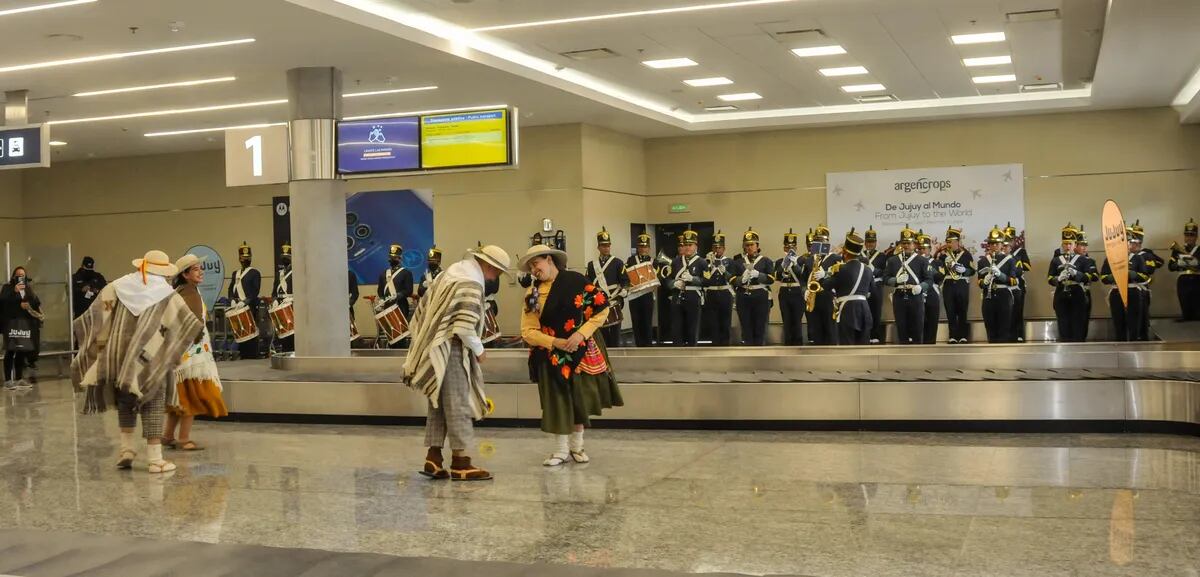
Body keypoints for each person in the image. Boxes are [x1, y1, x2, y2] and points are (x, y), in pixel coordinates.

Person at [72, 250, 204, 473]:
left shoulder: (117, 286)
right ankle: (155, 459)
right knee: (152, 399)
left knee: (126, 399)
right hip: (150, 357)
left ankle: (126, 450)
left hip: (118, 355)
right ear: (163, 271)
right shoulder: (165, 294)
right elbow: (188, 324)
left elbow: (93, 316)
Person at [404, 245, 510, 481]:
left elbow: (422, 308)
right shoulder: (471, 282)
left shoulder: (451, 272)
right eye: (498, 273)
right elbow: (463, 326)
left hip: (433, 345)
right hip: (450, 346)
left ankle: (433, 457)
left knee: (439, 402)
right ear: (490, 267)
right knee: (458, 401)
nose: (495, 279)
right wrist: (480, 350)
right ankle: (461, 462)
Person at [519, 244, 622, 467]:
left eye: (536, 264)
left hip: (578, 350)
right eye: (530, 267)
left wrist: (580, 334)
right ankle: (560, 449)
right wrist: (554, 342)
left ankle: (577, 446)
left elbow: (601, 308)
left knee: (578, 399)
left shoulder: (576, 281)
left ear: (549, 259)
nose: (533, 270)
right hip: (550, 354)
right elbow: (527, 331)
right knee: (557, 401)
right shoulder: (532, 293)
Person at [163, 254, 228, 451]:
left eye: (201, 268)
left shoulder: (182, 292)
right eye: (196, 269)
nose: (201, 272)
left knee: (181, 395)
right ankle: (183, 439)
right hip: (191, 356)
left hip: (183, 354)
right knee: (191, 396)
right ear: (185, 274)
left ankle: (167, 435)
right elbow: (191, 326)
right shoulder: (189, 294)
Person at [1048, 224, 1098, 343]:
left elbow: (1089, 277)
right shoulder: (1056, 260)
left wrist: (1076, 274)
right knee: (1063, 322)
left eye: (1070, 244)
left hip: (1077, 292)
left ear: (1075, 245)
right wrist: (1058, 279)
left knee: (1078, 323)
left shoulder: (1083, 260)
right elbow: (1050, 278)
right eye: (1065, 244)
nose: (1068, 246)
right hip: (1061, 292)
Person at [660, 228, 708, 347]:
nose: (687, 247)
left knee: (692, 329)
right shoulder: (676, 261)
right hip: (677, 298)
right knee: (677, 330)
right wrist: (673, 284)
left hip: (693, 298)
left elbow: (707, 281)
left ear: (696, 246)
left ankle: (693, 356)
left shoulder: (702, 262)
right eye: (685, 244)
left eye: (690, 245)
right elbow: (667, 278)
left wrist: (693, 279)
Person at [824, 229, 872, 345]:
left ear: (844, 252)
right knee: (863, 346)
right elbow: (872, 289)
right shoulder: (867, 269)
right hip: (865, 309)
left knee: (847, 346)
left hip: (848, 311)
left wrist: (824, 275)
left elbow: (827, 286)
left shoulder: (841, 269)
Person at [884, 226, 930, 345]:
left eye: (909, 243)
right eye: (904, 243)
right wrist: (896, 280)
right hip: (899, 296)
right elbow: (885, 278)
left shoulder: (922, 260)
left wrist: (921, 287)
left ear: (914, 244)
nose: (906, 246)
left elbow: (929, 280)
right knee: (901, 327)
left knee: (917, 327)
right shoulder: (893, 260)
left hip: (916, 296)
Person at [585, 227, 630, 347]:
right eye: (603, 246)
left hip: (614, 299)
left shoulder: (618, 263)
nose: (606, 248)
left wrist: (625, 290)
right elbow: (588, 285)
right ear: (598, 247)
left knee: (615, 334)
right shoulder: (591, 265)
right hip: (599, 302)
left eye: (608, 246)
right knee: (602, 334)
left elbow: (625, 281)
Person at [730, 228, 773, 345]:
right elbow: (732, 279)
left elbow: (771, 279)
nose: (749, 247)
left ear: (757, 245)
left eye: (752, 244)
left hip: (760, 296)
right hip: (743, 297)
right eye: (747, 245)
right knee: (746, 327)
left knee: (760, 327)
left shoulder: (765, 261)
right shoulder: (738, 262)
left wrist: (759, 275)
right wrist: (741, 280)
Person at [978, 226, 1021, 343]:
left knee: (1004, 326)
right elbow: (979, 282)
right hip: (988, 295)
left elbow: (1014, 280)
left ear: (1002, 244)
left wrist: (1000, 275)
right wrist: (985, 281)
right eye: (992, 243)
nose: (994, 246)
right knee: (990, 326)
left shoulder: (1010, 260)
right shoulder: (983, 261)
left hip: (1004, 295)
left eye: (997, 243)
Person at [2, 268, 43, 390]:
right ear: (14, 276)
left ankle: (19, 378)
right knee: (10, 351)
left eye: (23, 275)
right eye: (18, 275)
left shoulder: (27, 289)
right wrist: (14, 292)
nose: (20, 277)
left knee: (21, 350)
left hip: (24, 324)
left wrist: (29, 304)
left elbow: (35, 302)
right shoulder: (7, 288)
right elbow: (3, 301)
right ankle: (8, 380)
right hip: (10, 323)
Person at [938, 227, 974, 344]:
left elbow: (972, 271)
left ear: (957, 241)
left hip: (962, 284)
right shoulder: (943, 256)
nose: (948, 244)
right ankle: (952, 336)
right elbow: (939, 272)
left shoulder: (966, 254)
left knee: (962, 310)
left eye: (951, 241)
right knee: (950, 310)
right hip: (948, 284)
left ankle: (963, 335)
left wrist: (964, 270)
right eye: (947, 241)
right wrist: (944, 265)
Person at [804, 226, 840, 346]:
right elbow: (803, 279)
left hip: (828, 298)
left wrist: (827, 274)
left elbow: (840, 277)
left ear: (827, 242)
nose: (819, 243)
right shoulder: (809, 260)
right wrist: (804, 290)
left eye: (822, 241)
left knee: (830, 330)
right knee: (816, 332)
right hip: (814, 299)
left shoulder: (835, 258)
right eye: (817, 240)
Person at [226, 242, 262, 359]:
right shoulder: (235, 273)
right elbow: (231, 288)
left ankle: (252, 355)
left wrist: (245, 301)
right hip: (237, 306)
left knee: (250, 332)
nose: (245, 260)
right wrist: (231, 299)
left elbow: (255, 291)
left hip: (249, 306)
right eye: (242, 258)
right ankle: (243, 354)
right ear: (239, 259)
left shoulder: (255, 273)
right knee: (240, 331)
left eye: (247, 258)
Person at [377, 243, 414, 349]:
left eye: (394, 257)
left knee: (400, 335)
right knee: (390, 334)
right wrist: (382, 299)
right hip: (387, 306)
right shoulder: (384, 274)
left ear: (400, 258)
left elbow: (408, 290)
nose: (392, 259)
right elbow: (380, 290)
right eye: (391, 257)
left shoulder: (406, 273)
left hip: (400, 306)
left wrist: (398, 295)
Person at [703, 231, 734, 346]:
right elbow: (705, 278)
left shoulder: (729, 261)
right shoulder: (706, 261)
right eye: (715, 247)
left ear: (724, 248)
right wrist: (709, 265)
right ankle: (714, 344)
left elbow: (733, 278)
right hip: (711, 293)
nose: (717, 250)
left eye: (719, 247)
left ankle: (725, 344)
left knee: (725, 321)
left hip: (725, 293)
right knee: (712, 322)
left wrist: (724, 271)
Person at [775, 229, 806, 346]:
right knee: (786, 320)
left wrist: (795, 265)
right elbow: (776, 277)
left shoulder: (802, 260)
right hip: (784, 292)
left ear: (796, 248)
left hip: (797, 292)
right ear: (784, 248)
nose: (790, 250)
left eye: (792, 247)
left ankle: (798, 343)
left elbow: (803, 276)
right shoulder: (779, 261)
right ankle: (787, 343)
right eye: (787, 247)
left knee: (797, 320)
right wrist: (783, 265)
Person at [625, 232, 657, 347]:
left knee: (647, 322)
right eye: (641, 246)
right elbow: (626, 276)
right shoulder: (630, 260)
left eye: (646, 247)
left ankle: (648, 346)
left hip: (647, 296)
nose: (643, 249)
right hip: (634, 296)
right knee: (636, 322)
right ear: (638, 248)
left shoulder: (654, 261)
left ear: (649, 248)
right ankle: (638, 345)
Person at [860, 226, 889, 344]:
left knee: (875, 312)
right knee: (862, 312)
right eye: (868, 242)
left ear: (876, 242)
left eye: (872, 242)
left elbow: (885, 272)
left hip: (876, 286)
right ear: (864, 242)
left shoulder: (882, 256)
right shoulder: (859, 255)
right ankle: (864, 335)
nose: (870, 244)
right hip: (862, 286)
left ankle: (875, 335)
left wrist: (874, 270)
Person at [1004, 223, 1032, 342]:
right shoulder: (1002, 253)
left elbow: (1028, 266)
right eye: (1007, 240)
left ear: (1015, 240)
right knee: (1007, 312)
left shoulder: (1021, 252)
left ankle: (1019, 334)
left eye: (1011, 240)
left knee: (1018, 311)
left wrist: (1018, 262)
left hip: (1019, 285)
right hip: (1006, 284)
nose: (1009, 242)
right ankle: (1008, 334)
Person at [1169, 218, 1199, 321]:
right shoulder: (1177, 250)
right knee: (1184, 303)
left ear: (1196, 236)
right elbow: (1170, 266)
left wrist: (1196, 263)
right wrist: (1179, 264)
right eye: (1187, 235)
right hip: (1183, 279)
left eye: (1192, 235)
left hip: (1197, 279)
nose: (1189, 238)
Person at [918, 231, 943, 344]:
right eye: (920, 248)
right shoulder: (914, 262)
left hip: (933, 292)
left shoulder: (937, 262)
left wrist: (931, 270)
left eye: (925, 248)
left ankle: (931, 342)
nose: (922, 251)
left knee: (932, 319)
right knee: (919, 319)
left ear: (930, 249)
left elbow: (940, 277)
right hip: (919, 292)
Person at [271, 243, 295, 353]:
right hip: (281, 305)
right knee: (282, 334)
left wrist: (293, 298)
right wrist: (275, 300)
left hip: (292, 305)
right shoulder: (279, 274)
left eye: (287, 257)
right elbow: (274, 292)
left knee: (292, 334)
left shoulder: (296, 273)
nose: (285, 260)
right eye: (283, 258)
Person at [1075, 227, 1095, 341]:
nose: (1084, 248)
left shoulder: (1090, 261)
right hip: (1074, 292)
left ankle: (1082, 339)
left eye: (1085, 245)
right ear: (1075, 246)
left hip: (1085, 291)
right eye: (1082, 245)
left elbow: (1095, 276)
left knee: (1084, 319)